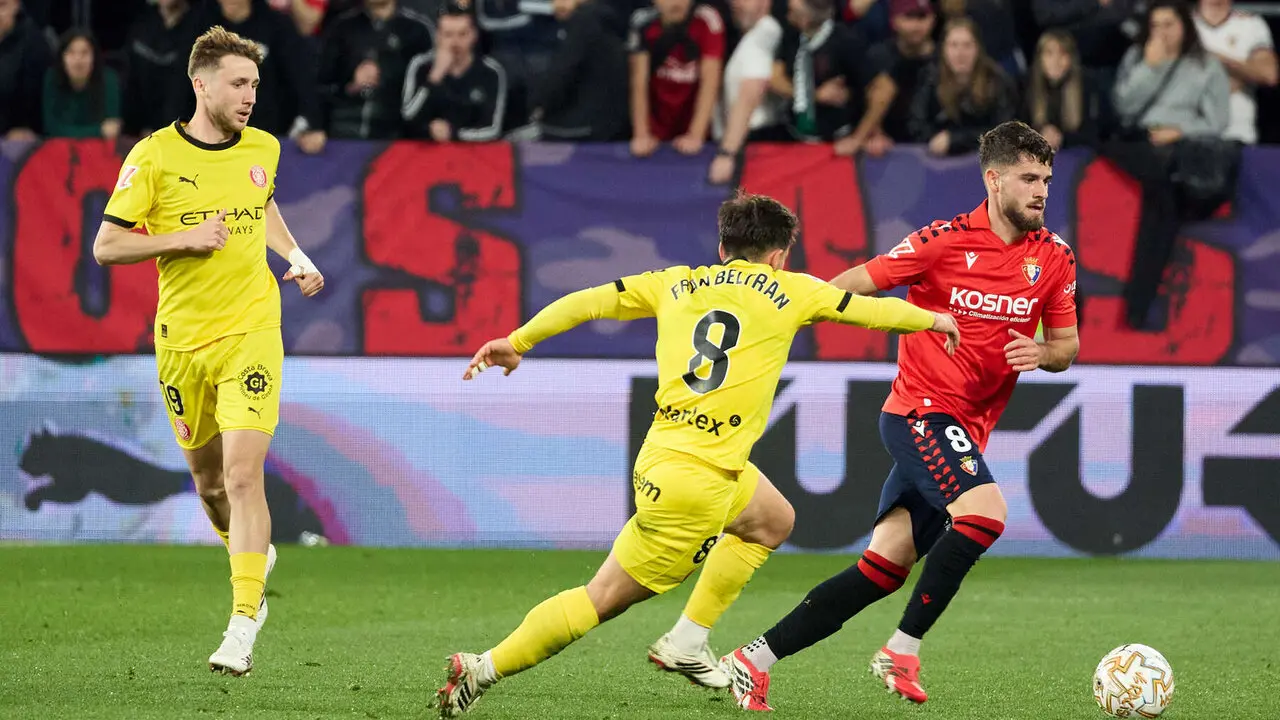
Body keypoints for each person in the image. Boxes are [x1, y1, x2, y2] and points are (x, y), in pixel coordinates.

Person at [434, 192, 962, 717]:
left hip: (669, 455)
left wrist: (519, 341)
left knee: (773, 519)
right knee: (603, 597)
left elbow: (587, 301)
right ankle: (482, 668)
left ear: (722, 245)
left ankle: (688, 639)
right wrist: (936, 322)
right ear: (779, 255)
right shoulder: (794, 291)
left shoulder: (676, 281)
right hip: (700, 483)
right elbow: (871, 311)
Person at [721, 121, 1080, 710]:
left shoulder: (1054, 257)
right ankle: (901, 650)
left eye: (1046, 179)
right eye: (1027, 178)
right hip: (920, 412)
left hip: (968, 430)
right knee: (985, 515)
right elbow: (853, 284)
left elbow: (1067, 348)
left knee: (882, 568)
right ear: (993, 180)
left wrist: (1042, 353)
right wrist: (783, 313)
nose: (1040, 191)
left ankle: (751, 660)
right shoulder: (941, 241)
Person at [93, 26, 326, 676]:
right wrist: (182, 237)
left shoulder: (265, 147)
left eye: (255, 83)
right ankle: (251, 555)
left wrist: (298, 255)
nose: (251, 95)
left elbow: (262, 202)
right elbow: (107, 246)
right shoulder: (155, 157)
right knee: (210, 482)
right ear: (201, 84)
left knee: (245, 476)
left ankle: (243, 625)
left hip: (252, 330)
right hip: (182, 344)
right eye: (238, 83)